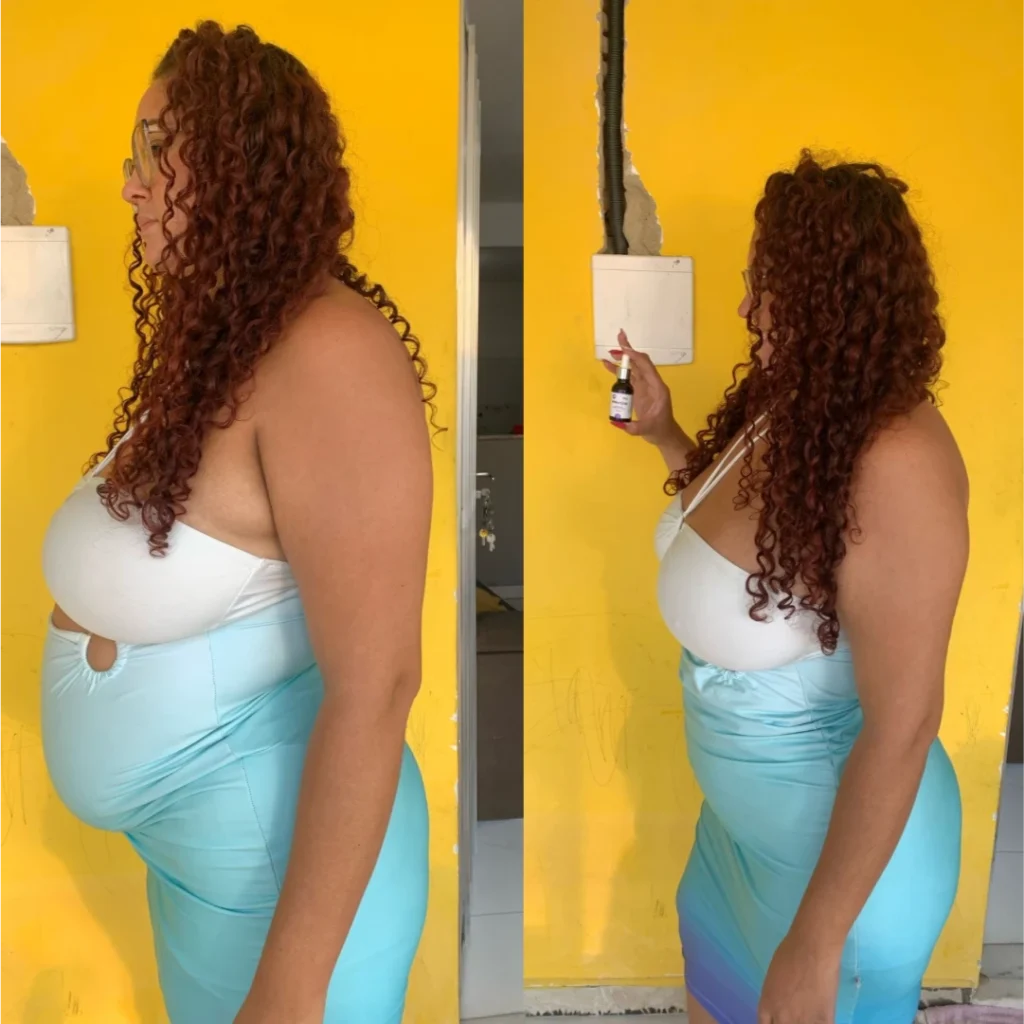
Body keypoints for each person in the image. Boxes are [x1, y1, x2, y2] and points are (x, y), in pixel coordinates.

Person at [39, 22, 432, 1024]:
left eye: (156, 149)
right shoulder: (226, 344)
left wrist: (293, 987)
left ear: (240, 162)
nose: (130, 186)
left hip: (283, 901)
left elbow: (380, 684)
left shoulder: (329, 351)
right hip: (211, 872)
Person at [605, 152, 968, 1024]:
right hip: (737, 841)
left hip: (837, 885)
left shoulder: (897, 462)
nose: (744, 308)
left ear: (829, 294)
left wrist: (817, 943)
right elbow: (745, 543)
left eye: (762, 287)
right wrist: (665, 433)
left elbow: (905, 724)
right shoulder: (793, 410)